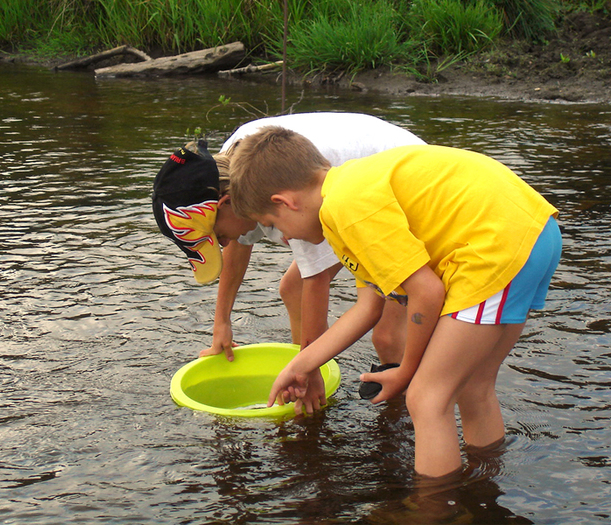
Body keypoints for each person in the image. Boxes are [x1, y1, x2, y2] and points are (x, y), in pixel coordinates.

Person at [228, 126, 561, 478]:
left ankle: (433, 512)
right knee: (472, 386)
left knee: (426, 399)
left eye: (272, 224)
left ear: (285, 202)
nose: (284, 237)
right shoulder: (350, 197)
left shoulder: (347, 207)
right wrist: (302, 365)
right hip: (531, 232)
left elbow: (427, 293)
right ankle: (485, 488)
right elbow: (368, 308)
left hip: (497, 245)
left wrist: (406, 370)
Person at [152, 113, 425, 414]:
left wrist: (310, 369)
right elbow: (240, 246)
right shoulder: (226, 171)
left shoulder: (285, 192)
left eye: (217, 235)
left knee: (386, 336)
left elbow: (316, 281)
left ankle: (404, 405)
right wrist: (222, 323)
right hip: (365, 192)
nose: (225, 244)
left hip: (404, 192)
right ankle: (310, 373)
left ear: (226, 203)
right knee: (291, 289)